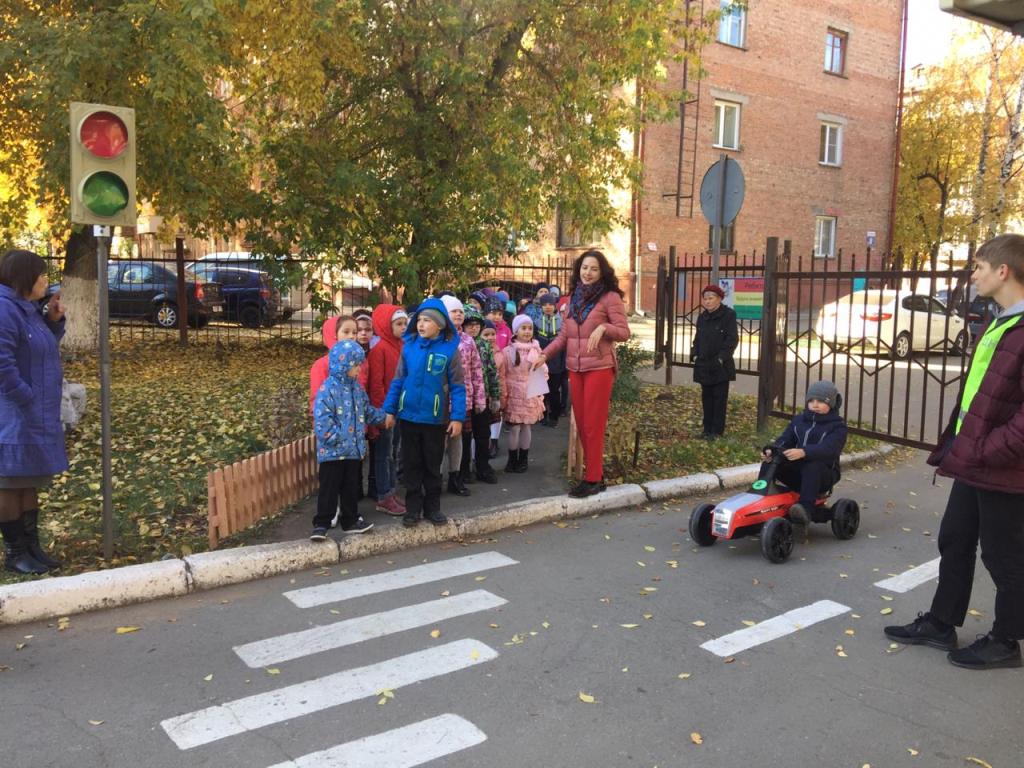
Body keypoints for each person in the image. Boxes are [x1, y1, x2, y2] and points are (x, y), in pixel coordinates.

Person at [885, 233, 1024, 670]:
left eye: (979, 267)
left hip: (1003, 465)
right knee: (955, 538)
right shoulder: (1001, 321)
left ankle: (1006, 642)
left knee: (1004, 556)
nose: (974, 275)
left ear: (1004, 271)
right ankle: (942, 622)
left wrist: (987, 449)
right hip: (976, 459)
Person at [533, 250, 631, 497]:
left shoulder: (609, 298)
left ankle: (593, 478)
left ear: (602, 272)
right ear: (579, 270)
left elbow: (623, 332)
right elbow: (564, 336)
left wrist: (604, 327)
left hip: (599, 368)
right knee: (583, 424)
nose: (588, 273)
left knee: (592, 425)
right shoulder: (573, 298)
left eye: (594, 269)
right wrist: (545, 354)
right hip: (575, 369)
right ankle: (596, 475)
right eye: (585, 268)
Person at [0, 249, 67, 574]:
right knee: (9, 483)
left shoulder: (28, 310)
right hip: (13, 415)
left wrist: (53, 321)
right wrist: (25, 396)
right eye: (41, 275)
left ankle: (31, 547)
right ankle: (15, 553)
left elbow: (39, 348)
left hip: (33, 414)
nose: (45, 280)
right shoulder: (5, 310)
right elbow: (2, 363)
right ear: (24, 278)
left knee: (28, 481)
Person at [383, 298, 466, 527]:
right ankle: (413, 509)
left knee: (432, 465)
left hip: (435, 419)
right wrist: (390, 410)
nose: (421, 324)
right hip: (408, 416)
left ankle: (432, 507)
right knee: (411, 465)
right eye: (419, 319)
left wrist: (457, 417)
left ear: (439, 325)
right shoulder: (409, 348)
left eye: (427, 320)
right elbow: (398, 380)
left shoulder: (450, 352)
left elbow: (458, 387)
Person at [310, 340, 386, 540]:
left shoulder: (357, 389)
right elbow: (322, 419)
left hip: (353, 451)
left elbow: (366, 411)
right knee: (329, 488)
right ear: (343, 365)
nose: (359, 369)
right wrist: (335, 438)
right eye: (356, 365)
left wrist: (382, 418)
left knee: (350, 487)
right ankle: (322, 523)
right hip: (333, 452)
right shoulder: (328, 389)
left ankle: (350, 519)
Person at [759, 381, 847, 525]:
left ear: (831, 403)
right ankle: (761, 498)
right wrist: (772, 451)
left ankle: (805, 509)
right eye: (811, 401)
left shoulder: (838, 427)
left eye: (820, 401)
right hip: (798, 472)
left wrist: (804, 452)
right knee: (770, 462)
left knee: (812, 466)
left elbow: (829, 449)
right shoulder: (799, 420)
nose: (815, 405)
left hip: (824, 474)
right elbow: (785, 439)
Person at [440, 296, 485, 497]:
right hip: (441, 399)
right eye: (454, 311)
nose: (458, 314)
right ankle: (436, 478)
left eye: (460, 311)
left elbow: (476, 370)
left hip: (462, 398)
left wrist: (479, 398)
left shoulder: (467, 340)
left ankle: (455, 477)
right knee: (439, 441)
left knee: (457, 438)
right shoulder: (438, 338)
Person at [365, 304, 408, 516]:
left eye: (405, 323)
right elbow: (376, 386)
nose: (403, 327)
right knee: (384, 455)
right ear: (385, 325)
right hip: (386, 412)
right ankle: (383, 495)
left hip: (399, 409)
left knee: (393, 452)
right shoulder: (379, 349)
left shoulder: (401, 345)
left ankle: (390, 491)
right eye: (398, 324)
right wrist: (384, 413)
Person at [691, 284, 738, 439]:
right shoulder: (702, 317)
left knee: (719, 399)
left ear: (719, 299)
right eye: (705, 298)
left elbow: (732, 339)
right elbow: (697, 339)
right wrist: (694, 354)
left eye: (711, 298)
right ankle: (706, 430)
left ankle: (716, 432)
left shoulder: (728, 315)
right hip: (704, 364)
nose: (707, 301)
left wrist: (721, 358)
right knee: (707, 398)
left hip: (720, 366)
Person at [501, 315, 547, 473]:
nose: (527, 331)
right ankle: (512, 459)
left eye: (530, 328)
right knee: (514, 427)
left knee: (526, 426)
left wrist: (539, 392)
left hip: (530, 392)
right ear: (515, 331)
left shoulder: (537, 350)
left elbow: (542, 372)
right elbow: (503, 373)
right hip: (513, 393)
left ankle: (523, 459)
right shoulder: (508, 351)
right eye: (523, 328)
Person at [461, 309, 498, 484]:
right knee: (465, 436)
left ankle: (483, 467)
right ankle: (464, 470)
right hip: (466, 397)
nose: (473, 328)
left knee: (483, 434)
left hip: (484, 396)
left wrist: (495, 395)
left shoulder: (485, 345)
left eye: (477, 325)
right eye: (469, 325)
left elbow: (492, 370)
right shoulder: (459, 344)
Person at [309, 315, 359, 416]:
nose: (351, 336)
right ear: (334, 334)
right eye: (346, 332)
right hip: (332, 421)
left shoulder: (359, 362)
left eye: (354, 332)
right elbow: (318, 400)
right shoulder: (321, 365)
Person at [535, 293, 565, 426]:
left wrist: (563, 363)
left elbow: (565, 344)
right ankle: (542, 414)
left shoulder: (562, 322)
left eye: (550, 304)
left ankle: (554, 417)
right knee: (541, 390)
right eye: (544, 305)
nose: (547, 307)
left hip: (556, 362)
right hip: (541, 362)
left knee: (554, 391)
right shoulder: (536, 322)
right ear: (541, 307)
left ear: (555, 305)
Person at [481, 320, 504, 459]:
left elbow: (503, 376)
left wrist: (503, 394)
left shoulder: (499, 352)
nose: (490, 337)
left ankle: (494, 442)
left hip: (497, 390)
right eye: (486, 334)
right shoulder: (478, 350)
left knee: (496, 417)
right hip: (483, 392)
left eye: (493, 334)